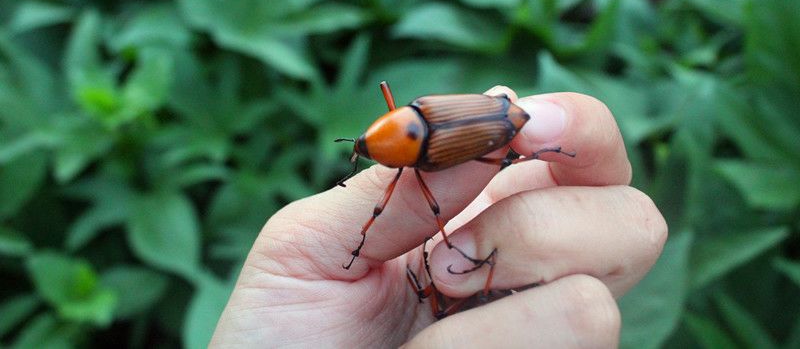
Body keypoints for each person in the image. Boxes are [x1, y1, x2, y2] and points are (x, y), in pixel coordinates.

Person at [210, 88, 668, 347]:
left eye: (367, 150)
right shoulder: (417, 116)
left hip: (490, 123)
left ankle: (537, 154)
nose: (365, 156)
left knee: (447, 191)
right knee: (465, 183)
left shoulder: (419, 158)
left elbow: (392, 195)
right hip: (483, 121)